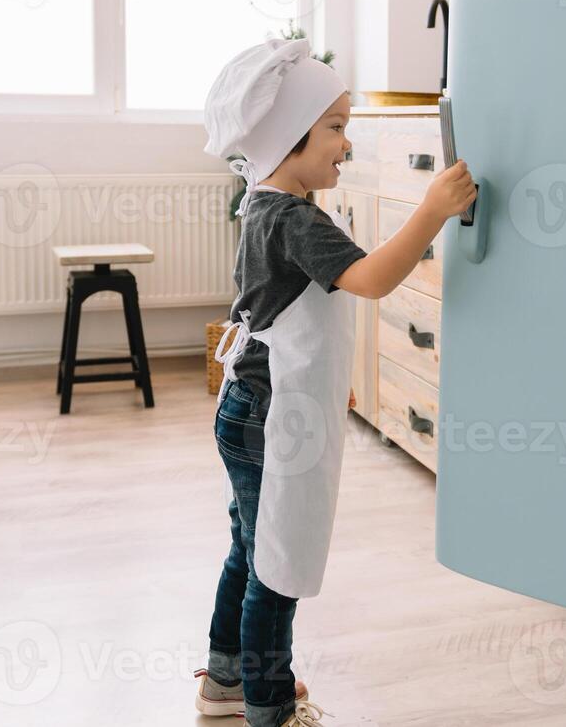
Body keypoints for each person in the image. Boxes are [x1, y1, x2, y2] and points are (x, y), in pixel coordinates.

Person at [196, 38, 477, 727]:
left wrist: (330, 387)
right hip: (271, 415)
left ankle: (227, 678)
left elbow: (292, 320)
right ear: (290, 136)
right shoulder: (296, 220)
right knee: (278, 562)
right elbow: (374, 281)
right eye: (336, 127)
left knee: (250, 544)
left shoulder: (260, 201)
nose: (346, 145)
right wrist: (433, 209)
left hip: (251, 405)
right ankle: (268, 705)